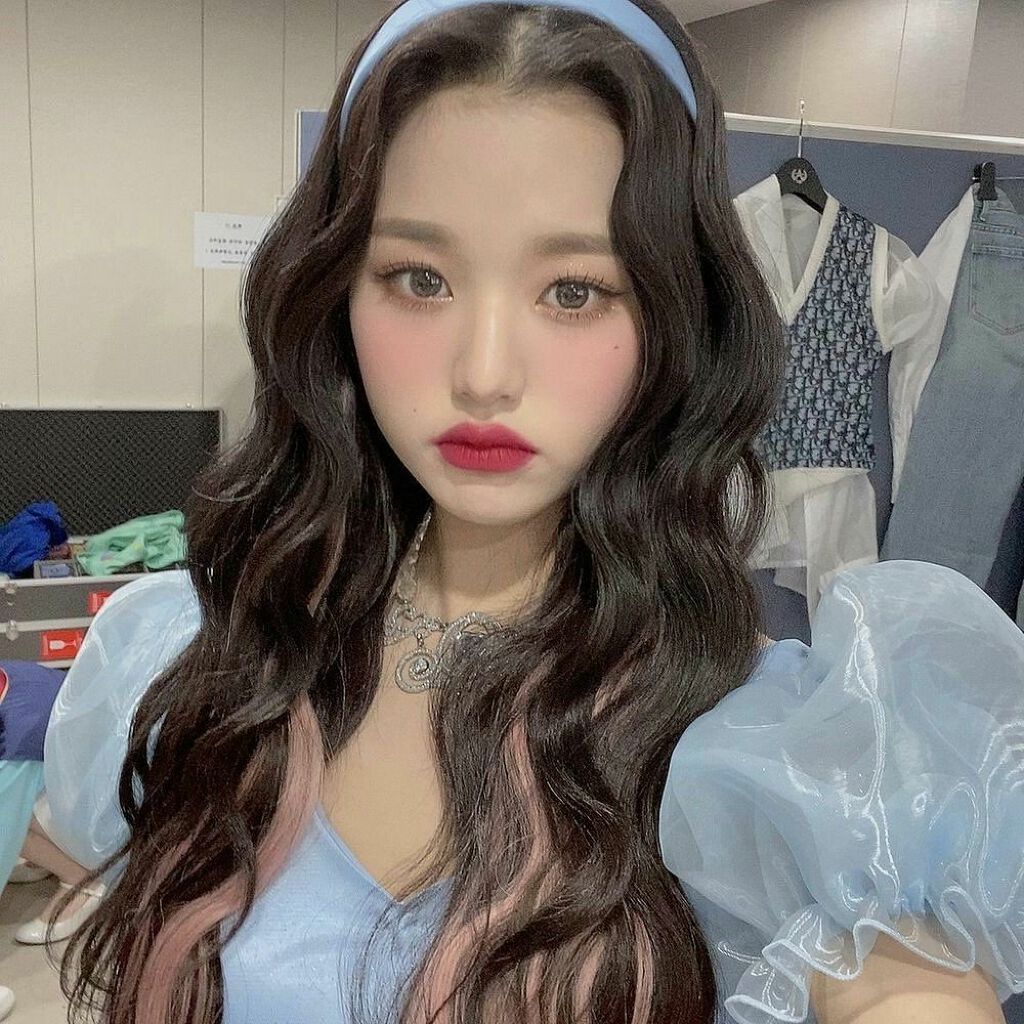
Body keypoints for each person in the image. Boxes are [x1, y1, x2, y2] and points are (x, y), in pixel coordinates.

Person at [40, 1, 1024, 1023]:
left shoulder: (746, 740)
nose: (484, 373)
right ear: (335, 295)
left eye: (574, 292)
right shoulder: (191, 667)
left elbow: (903, 988)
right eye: (419, 278)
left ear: (672, 319)